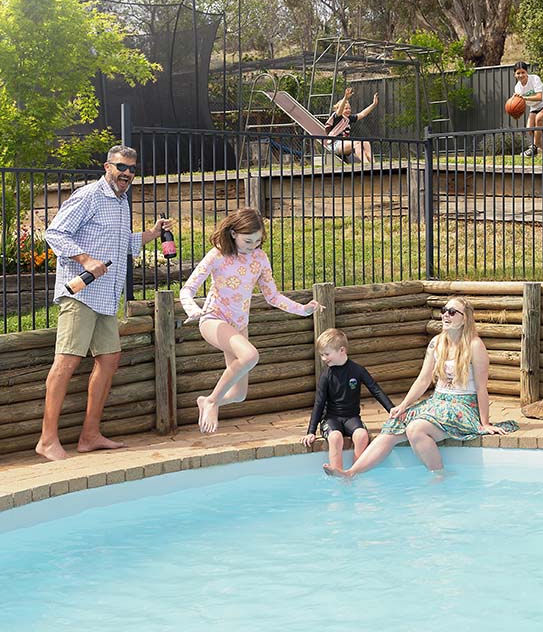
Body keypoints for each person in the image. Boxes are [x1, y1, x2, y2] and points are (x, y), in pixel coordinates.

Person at [36, 145, 173, 461]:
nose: (127, 174)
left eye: (132, 169)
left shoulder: (122, 201)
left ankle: (90, 435)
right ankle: (46, 440)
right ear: (107, 166)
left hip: (107, 297)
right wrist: (85, 259)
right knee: (67, 362)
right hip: (80, 294)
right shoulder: (88, 196)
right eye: (121, 167)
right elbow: (54, 234)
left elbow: (120, 243)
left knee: (109, 359)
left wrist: (151, 234)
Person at [337, 297, 518, 476]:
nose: (446, 315)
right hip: (437, 402)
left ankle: (440, 475)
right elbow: (423, 380)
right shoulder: (436, 342)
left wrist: (484, 423)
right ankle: (351, 473)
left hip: (463, 406)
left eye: (452, 312)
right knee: (394, 425)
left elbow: (481, 387)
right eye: (444, 311)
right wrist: (403, 406)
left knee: (416, 429)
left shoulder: (475, 345)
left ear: (465, 318)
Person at [180, 207, 323, 434]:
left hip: (239, 325)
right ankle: (211, 401)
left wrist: (303, 310)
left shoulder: (259, 258)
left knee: (238, 394)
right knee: (250, 355)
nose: (253, 245)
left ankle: (206, 400)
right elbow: (187, 289)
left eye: (258, 240)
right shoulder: (217, 255)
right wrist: (193, 309)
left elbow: (272, 296)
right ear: (234, 233)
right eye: (248, 240)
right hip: (213, 319)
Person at [302, 328, 395, 474]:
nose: (324, 358)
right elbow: (319, 403)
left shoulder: (357, 370)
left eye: (326, 354)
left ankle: (354, 472)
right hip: (331, 419)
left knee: (362, 435)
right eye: (321, 355)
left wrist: (392, 410)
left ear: (342, 350)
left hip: (351, 418)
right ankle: (337, 472)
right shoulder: (326, 376)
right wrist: (311, 431)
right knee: (335, 437)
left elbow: (375, 390)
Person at [511, 61, 543, 159]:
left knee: (538, 119)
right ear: (514, 74)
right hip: (534, 107)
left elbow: (539, 97)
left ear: (527, 72)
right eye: (518, 73)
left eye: (523, 72)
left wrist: (524, 98)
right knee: (530, 129)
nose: (521, 75)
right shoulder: (517, 88)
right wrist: (514, 106)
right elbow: (519, 103)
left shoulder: (535, 79)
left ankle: (533, 148)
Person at [324, 87, 379, 162]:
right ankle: (366, 165)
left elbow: (362, 114)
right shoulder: (338, 117)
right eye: (346, 108)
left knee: (365, 142)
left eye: (349, 108)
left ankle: (374, 164)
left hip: (345, 144)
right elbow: (340, 110)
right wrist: (345, 98)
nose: (348, 110)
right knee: (357, 143)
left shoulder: (349, 118)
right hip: (335, 144)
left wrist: (373, 104)